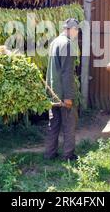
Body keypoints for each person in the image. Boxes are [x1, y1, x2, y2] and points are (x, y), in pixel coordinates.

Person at [44, 18, 80, 161]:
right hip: (63, 93)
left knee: (53, 124)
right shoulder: (67, 45)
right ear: (71, 29)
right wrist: (69, 96)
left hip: (53, 92)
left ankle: (49, 153)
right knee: (69, 124)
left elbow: (51, 69)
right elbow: (66, 73)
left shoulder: (54, 42)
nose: (77, 33)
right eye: (77, 30)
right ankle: (68, 155)